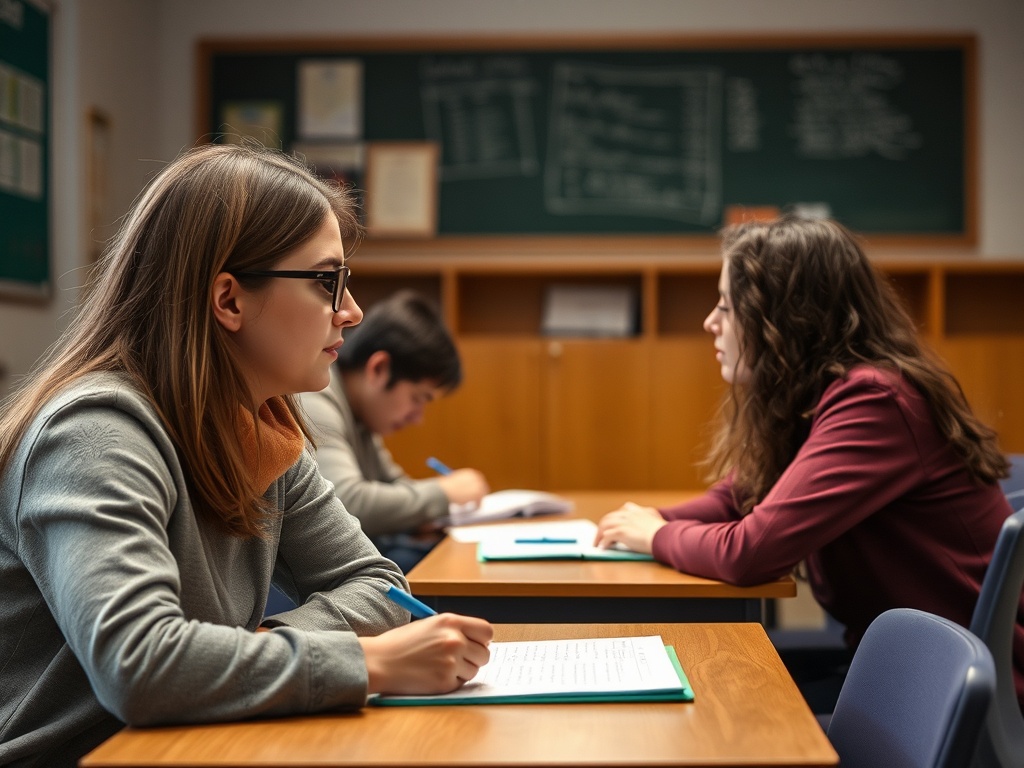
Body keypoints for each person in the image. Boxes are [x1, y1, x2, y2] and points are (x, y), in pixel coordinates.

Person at [0, 143, 492, 767]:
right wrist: (364, 661)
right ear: (229, 300)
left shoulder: (263, 423)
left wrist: (240, 649)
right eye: (325, 281)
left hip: (201, 740)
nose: (351, 311)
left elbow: (380, 588)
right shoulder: (93, 434)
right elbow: (142, 666)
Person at [595, 213, 1024, 713]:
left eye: (727, 306)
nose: (711, 322)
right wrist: (649, 521)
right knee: (713, 692)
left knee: (719, 713)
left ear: (784, 320)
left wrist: (654, 535)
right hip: (901, 671)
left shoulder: (874, 402)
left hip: (960, 694)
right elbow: (737, 497)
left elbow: (751, 552)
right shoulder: (818, 400)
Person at [298, 291, 489, 572]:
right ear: (379, 368)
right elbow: (345, 502)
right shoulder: (316, 398)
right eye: (417, 398)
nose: (418, 418)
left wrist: (428, 506)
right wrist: (444, 494)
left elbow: (394, 486)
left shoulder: (361, 414)